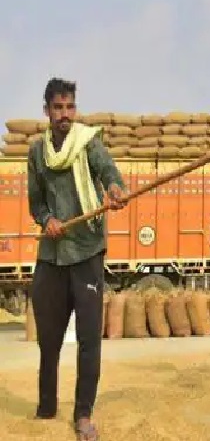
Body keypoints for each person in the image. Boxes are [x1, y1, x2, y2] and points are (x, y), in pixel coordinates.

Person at [28, 77, 127, 441]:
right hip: (51, 257)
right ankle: (46, 407)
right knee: (49, 339)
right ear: (47, 111)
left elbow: (110, 175)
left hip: (86, 252)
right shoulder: (36, 152)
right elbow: (36, 202)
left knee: (89, 339)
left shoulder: (89, 144)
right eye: (58, 108)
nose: (65, 114)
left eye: (70, 107)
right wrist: (46, 219)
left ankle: (83, 414)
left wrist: (116, 191)